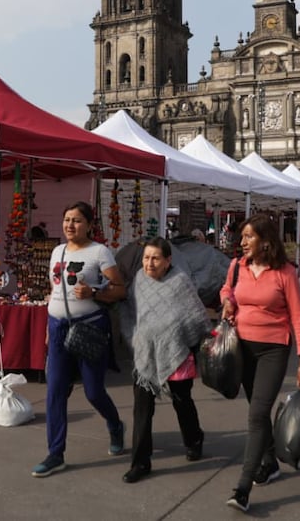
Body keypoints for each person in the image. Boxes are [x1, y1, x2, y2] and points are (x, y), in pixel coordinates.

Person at [220, 214, 300, 513]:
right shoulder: (237, 266)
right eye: (242, 236)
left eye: (249, 236)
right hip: (242, 349)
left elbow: (298, 318)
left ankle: (243, 488)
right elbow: (227, 289)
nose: (243, 242)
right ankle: (270, 462)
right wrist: (227, 301)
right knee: (258, 413)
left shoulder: (285, 273)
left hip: (273, 350)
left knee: (257, 413)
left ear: (266, 241)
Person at [32, 201, 127, 478]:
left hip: (89, 329)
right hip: (57, 327)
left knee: (93, 391)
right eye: (67, 220)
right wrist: (50, 329)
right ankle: (55, 453)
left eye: (76, 220)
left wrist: (94, 294)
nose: (70, 225)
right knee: (55, 391)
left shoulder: (100, 252)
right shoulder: (57, 251)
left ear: (89, 224)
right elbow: (56, 289)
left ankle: (115, 425)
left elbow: (119, 290)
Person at [117, 237, 211, 484]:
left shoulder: (180, 281)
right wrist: (135, 338)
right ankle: (140, 462)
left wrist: (180, 336)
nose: (149, 263)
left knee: (182, 401)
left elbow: (196, 317)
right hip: (145, 354)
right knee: (142, 410)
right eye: (146, 258)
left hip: (176, 351)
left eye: (156, 258)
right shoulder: (139, 280)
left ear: (168, 260)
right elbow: (130, 312)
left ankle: (194, 439)